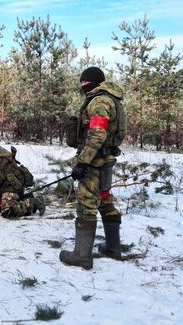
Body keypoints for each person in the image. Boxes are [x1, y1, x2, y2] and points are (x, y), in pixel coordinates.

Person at [59, 66, 126, 270]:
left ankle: (81, 256)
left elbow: (97, 134)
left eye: (84, 83)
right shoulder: (111, 99)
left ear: (92, 82)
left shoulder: (99, 101)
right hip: (105, 161)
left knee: (87, 204)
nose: (82, 86)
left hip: (95, 163)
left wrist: (82, 162)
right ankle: (113, 248)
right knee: (104, 200)